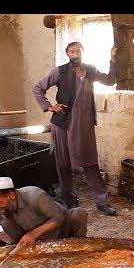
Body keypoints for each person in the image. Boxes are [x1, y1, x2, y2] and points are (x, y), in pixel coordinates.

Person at [33, 36, 118, 216]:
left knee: (90, 163)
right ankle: (70, 202)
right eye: (72, 51)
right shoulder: (60, 71)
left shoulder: (90, 70)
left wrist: (113, 59)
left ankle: (102, 203)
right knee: (63, 165)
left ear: (83, 52)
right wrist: (50, 106)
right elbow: (38, 88)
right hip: (62, 124)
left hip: (84, 126)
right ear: (67, 54)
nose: (75, 54)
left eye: (78, 51)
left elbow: (110, 81)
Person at [0, 177, 88, 254]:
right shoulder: (1, 207)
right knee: (3, 220)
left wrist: (33, 234)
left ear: (11, 195)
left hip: (60, 231)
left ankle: (77, 250)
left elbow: (58, 218)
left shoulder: (35, 195)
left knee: (79, 214)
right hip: (37, 241)